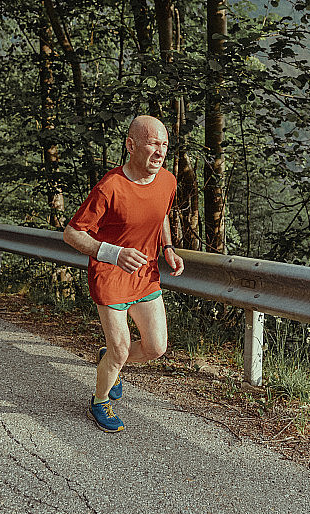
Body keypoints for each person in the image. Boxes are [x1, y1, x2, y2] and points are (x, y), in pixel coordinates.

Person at [63, 115, 185, 432]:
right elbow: (72, 234)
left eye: (165, 145)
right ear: (131, 145)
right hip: (110, 275)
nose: (160, 152)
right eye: (153, 144)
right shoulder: (110, 187)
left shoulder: (168, 181)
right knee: (120, 349)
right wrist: (114, 253)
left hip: (144, 274)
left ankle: (111, 360)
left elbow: (161, 216)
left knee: (156, 348)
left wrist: (168, 247)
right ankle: (100, 401)